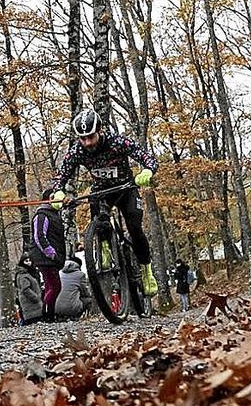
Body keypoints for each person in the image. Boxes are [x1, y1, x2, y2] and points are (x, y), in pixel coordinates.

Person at [50, 108, 159, 296]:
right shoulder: (77, 151)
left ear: (100, 130)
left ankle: (146, 269)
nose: (87, 143)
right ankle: (104, 245)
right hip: (101, 191)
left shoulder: (118, 142)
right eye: (82, 138)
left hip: (126, 189)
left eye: (91, 137)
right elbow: (62, 174)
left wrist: (148, 170)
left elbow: (146, 157)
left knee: (135, 227)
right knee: (97, 215)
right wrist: (58, 191)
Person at [26, 189, 67, 322]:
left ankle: (49, 314)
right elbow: (39, 236)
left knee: (51, 286)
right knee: (55, 286)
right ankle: (48, 315)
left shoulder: (54, 215)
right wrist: (51, 253)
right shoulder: (42, 215)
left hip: (50, 258)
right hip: (45, 258)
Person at [14, 254, 44, 325]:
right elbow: (25, 289)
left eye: (30, 260)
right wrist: (36, 298)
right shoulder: (22, 275)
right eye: (26, 261)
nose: (29, 262)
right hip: (30, 306)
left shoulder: (29, 273)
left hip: (34, 305)